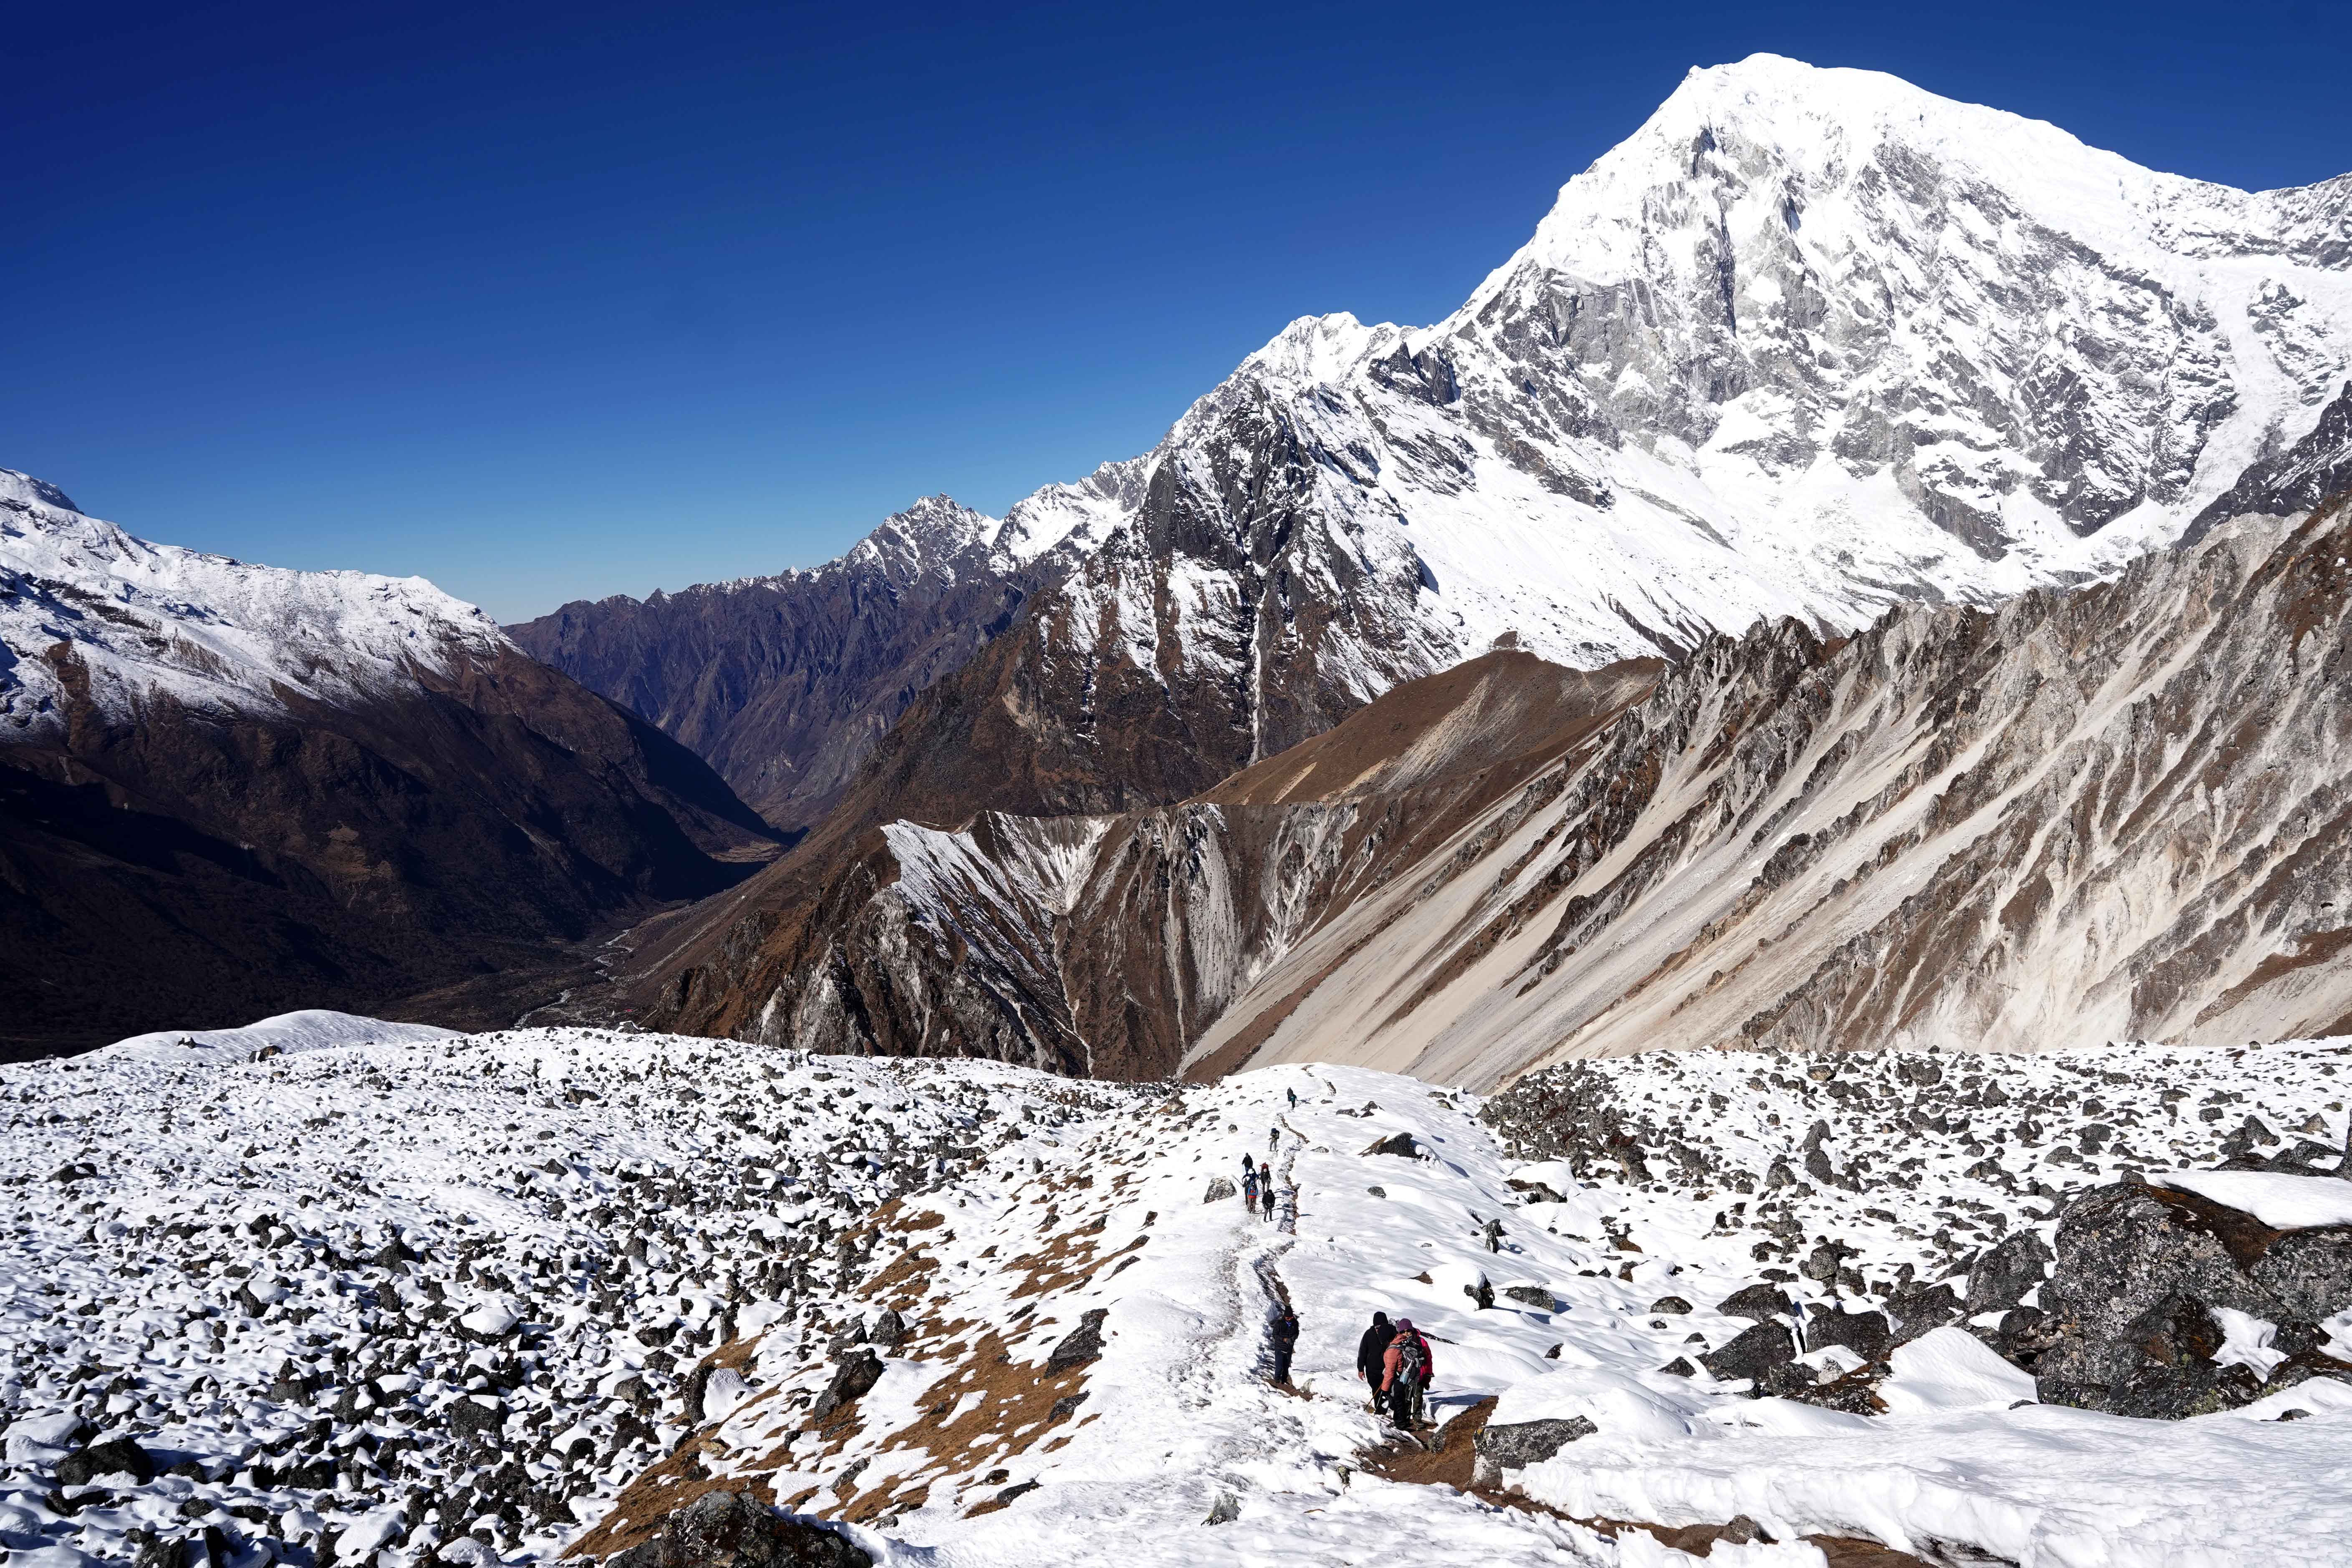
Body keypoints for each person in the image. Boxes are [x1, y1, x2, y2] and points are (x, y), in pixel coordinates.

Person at [1382, 1317, 1433, 1429]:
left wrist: (1428, 1374)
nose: (1406, 1333)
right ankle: (1405, 1419)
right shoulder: (1400, 1342)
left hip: (1420, 1375)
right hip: (1405, 1376)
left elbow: (1428, 1358)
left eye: (1408, 1331)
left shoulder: (1421, 1342)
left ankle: (1417, 1419)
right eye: (1403, 1332)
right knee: (1405, 1399)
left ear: (1412, 1330)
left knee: (1418, 1398)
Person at [1355, 1311, 1393, 1409]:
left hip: (1387, 1369)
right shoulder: (1368, 1334)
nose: (1379, 1330)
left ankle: (1389, 1408)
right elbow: (1362, 1352)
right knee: (1376, 1389)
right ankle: (1380, 1410)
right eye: (1377, 1327)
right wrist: (1360, 1369)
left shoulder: (1391, 1334)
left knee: (1388, 1390)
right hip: (1373, 1370)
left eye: (1381, 1327)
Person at [1269, 1304, 1299, 1383]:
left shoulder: (1295, 1324)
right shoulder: (1279, 1324)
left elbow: (1297, 1333)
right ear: (1285, 1317)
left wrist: (1293, 1338)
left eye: (1291, 1318)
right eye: (1288, 1318)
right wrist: (1284, 1339)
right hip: (1280, 1347)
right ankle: (1277, 1380)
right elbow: (1275, 1335)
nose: (1289, 1320)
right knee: (1279, 1366)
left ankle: (1284, 1380)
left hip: (1289, 1347)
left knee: (1286, 1366)